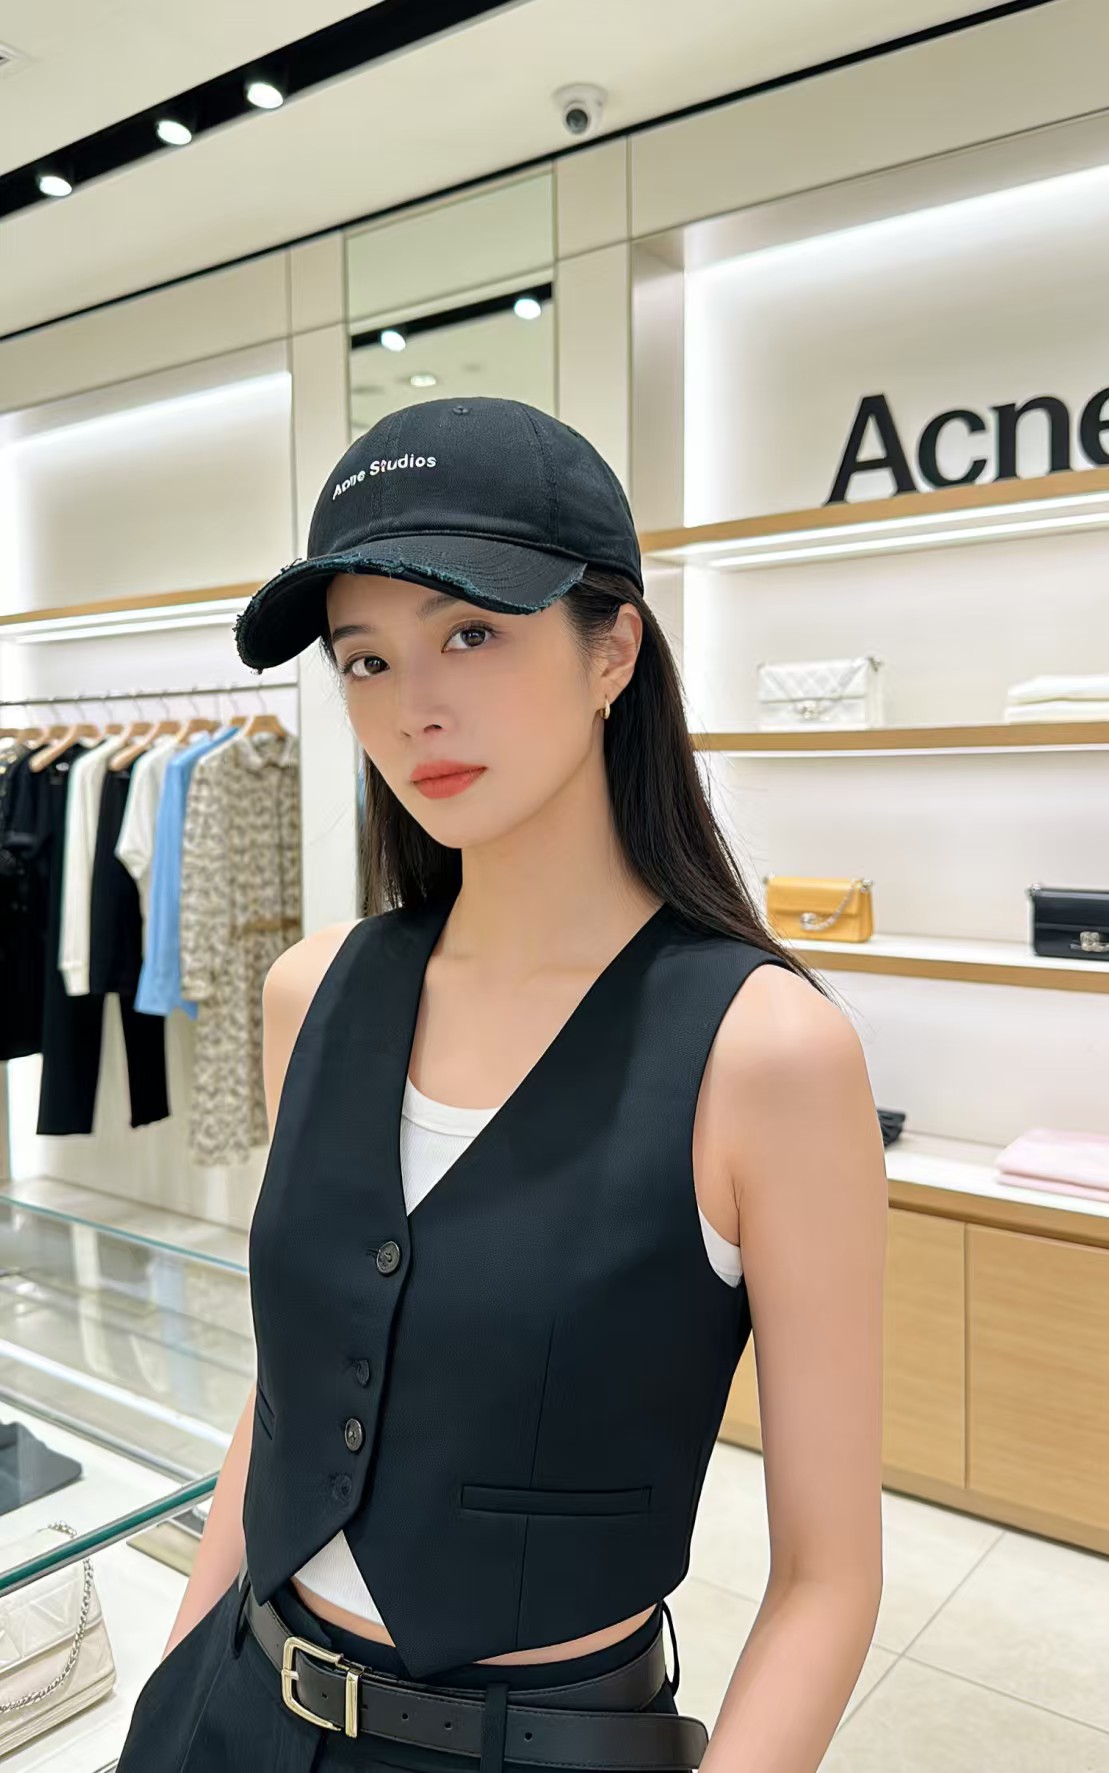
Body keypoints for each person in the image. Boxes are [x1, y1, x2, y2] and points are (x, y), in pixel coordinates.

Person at [115, 396, 887, 1773]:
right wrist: (174, 1687)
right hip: (232, 1710)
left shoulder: (762, 1053)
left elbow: (827, 1579)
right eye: (365, 658)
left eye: (471, 632)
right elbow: (291, 1394)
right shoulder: (313, 992)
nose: (414, 705)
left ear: (613, 649)